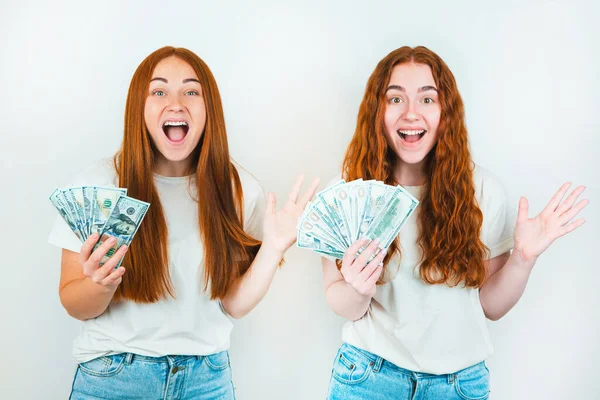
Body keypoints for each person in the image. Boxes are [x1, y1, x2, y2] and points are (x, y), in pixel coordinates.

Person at [48, 46, 318, 400]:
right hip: (113, 378)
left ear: (210, 110)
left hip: (207, 379)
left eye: (191, 91)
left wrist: (272, 249)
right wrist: (100, 284)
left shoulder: (237, 190)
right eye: (158, 91)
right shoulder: (98, 187)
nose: (176, 103)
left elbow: (232, 304)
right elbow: (73, 303)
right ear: (138, 109)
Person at [322, 45, 588, 399]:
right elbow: (340, 301)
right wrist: (357, 289)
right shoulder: (345, 194)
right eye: (396, 99)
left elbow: (490, 307)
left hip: (459, 386)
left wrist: (523, 260)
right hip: (369, 379)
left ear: (446, 112)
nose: (411, 113)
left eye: (427, 99)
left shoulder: (483, 191)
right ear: (377, 110)